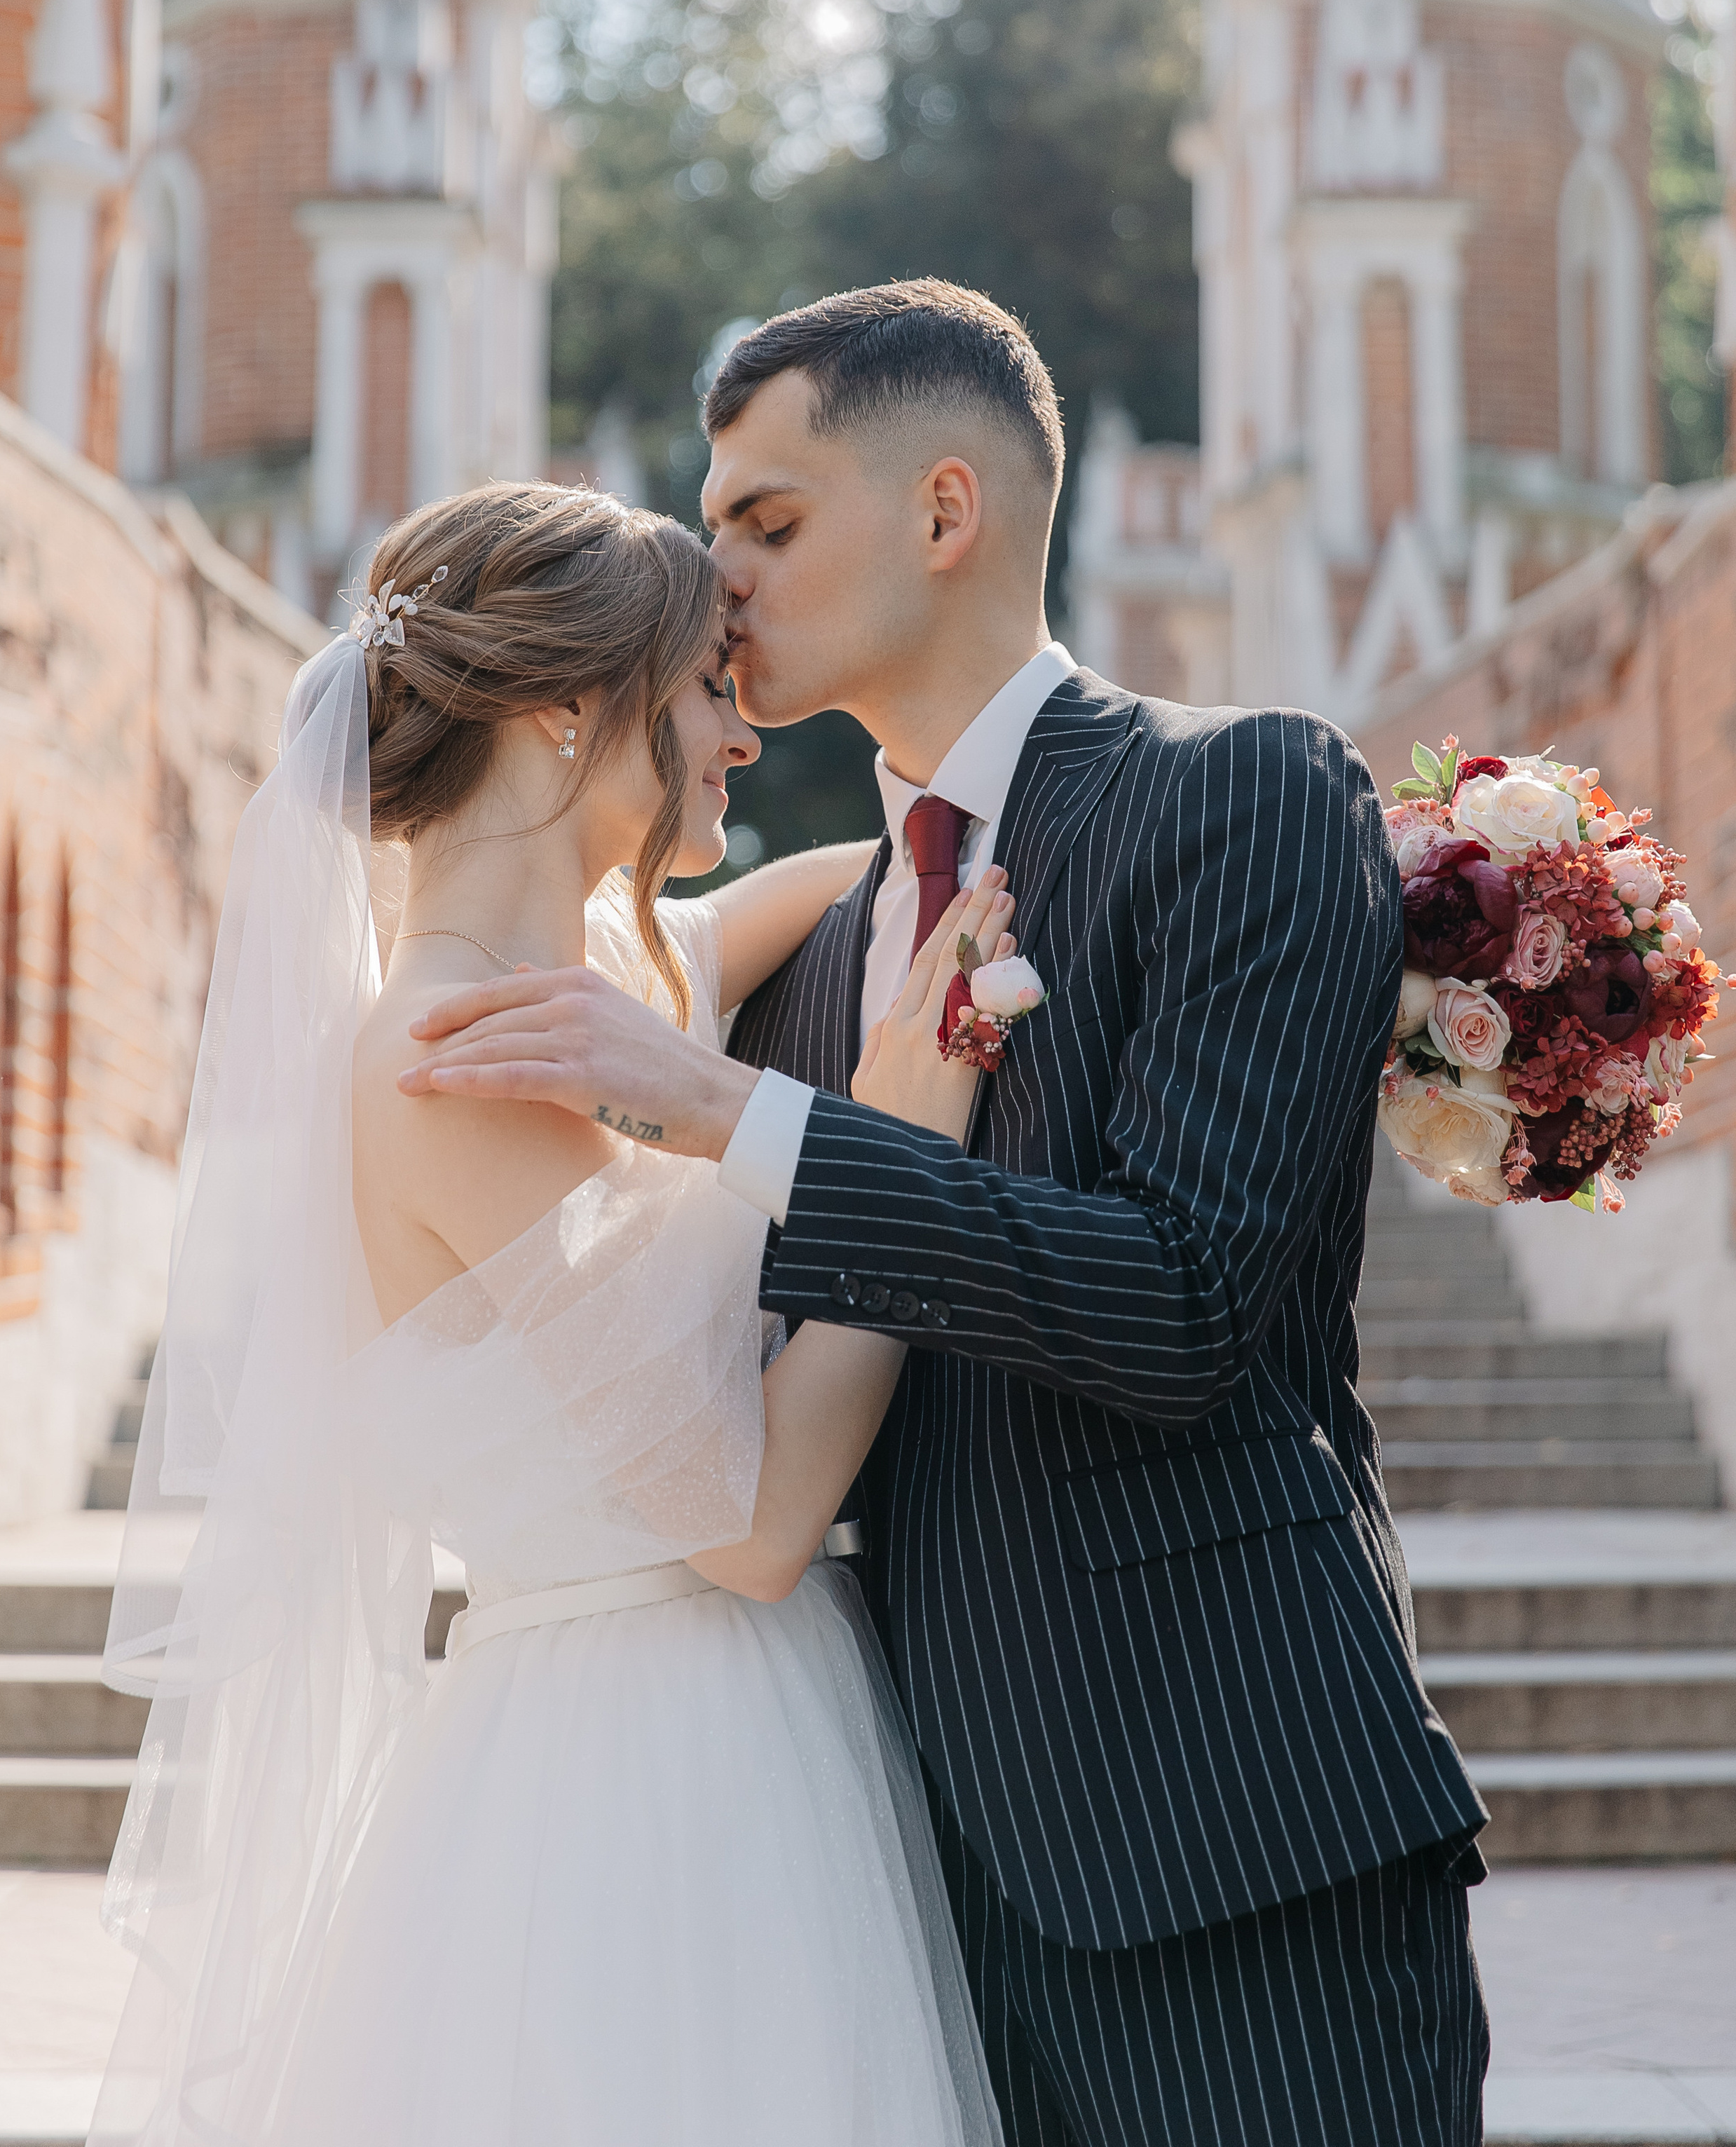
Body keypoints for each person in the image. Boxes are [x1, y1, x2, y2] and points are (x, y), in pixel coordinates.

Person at [400, 280, 1494, 2147]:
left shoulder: (1236, 794)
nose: (717, 578)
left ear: (944, 511)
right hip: (897, 1886)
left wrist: (741, 1115)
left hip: (1236, 1846)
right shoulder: (807, 959)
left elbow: (1187, 1308)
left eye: (767, 520)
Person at [93, 481, 1009, 2146]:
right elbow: (746, 1522)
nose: (738, 735)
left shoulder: (597, 981)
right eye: (704, 690)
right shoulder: (453, 1060)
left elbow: (746, 920)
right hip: (637, 1776)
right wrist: (899, 1137)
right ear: (561, 711)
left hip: (732, 1722)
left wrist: (955, 863)